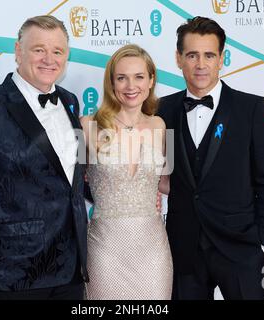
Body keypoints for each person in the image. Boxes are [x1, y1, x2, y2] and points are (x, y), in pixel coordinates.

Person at [0, 15, 89, 300]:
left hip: (71, 268)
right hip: (14, 273)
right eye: (39, 49)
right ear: (18, 51)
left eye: (57, 51)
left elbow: (73, 177)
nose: (49, 59)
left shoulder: (70, 100)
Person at [157, 17, 264, 300]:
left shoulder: (252, 109)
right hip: (184, 249)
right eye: (192, 55)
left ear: (221, 59)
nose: (201, 64)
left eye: (209, 55)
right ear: (178, 59)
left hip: (242, 249)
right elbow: (160, 173)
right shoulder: (163, 110)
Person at [80, 44, 173, 300]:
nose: (131, 86)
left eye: (139, 77)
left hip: (152, 250)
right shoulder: (87, 126)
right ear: (111, 83)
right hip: (105, 250)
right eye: (122, 77)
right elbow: (74, 185)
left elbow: (166, 182)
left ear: (151, 80)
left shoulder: (161, 126)